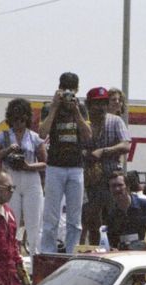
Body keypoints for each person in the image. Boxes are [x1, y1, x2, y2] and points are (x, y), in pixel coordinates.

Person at [39, 72, 92, 254]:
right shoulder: (48, 107)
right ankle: (47, 251)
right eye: (65, 88)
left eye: (72, 89)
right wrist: (54, 107)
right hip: (55, 166)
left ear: (77, 90)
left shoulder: (81, 107)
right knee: (51, 215)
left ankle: (71, 252)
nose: (68, 93)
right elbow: (42, 133)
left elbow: (87, 135)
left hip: (76, 167)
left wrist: (76, 112)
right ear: (59, 88)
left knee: (74, 218)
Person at [0, 98, 47, 256]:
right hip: (10, 180)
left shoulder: (34, 137)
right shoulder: (3, 136)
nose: (18, 123)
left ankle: (36, 257)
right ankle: (12, 256)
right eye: (15, 119)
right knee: (12, 221)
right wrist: (6, 151)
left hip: (31, 180)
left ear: (27, 118)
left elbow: (46, 162)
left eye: (22, 119)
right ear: (10, 119)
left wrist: (28, 166)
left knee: (34, 224)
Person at [81, 87, 131, 246]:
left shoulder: (115, 121)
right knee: (91, 222)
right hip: (90, 182)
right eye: (97, 103)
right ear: (89, 105)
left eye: (104, 103)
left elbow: (126, 145)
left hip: (112, 180)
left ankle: (116, 251)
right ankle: (94, 252)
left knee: (115, 220)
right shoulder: (83, 124)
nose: (101, 107)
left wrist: (103, 151)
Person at [105, 169, 146, 249]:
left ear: (128, 186)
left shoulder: (144, 205)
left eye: (120, 185)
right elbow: (112, 242)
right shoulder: (111, 214)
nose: (117, 189)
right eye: (113, 186)